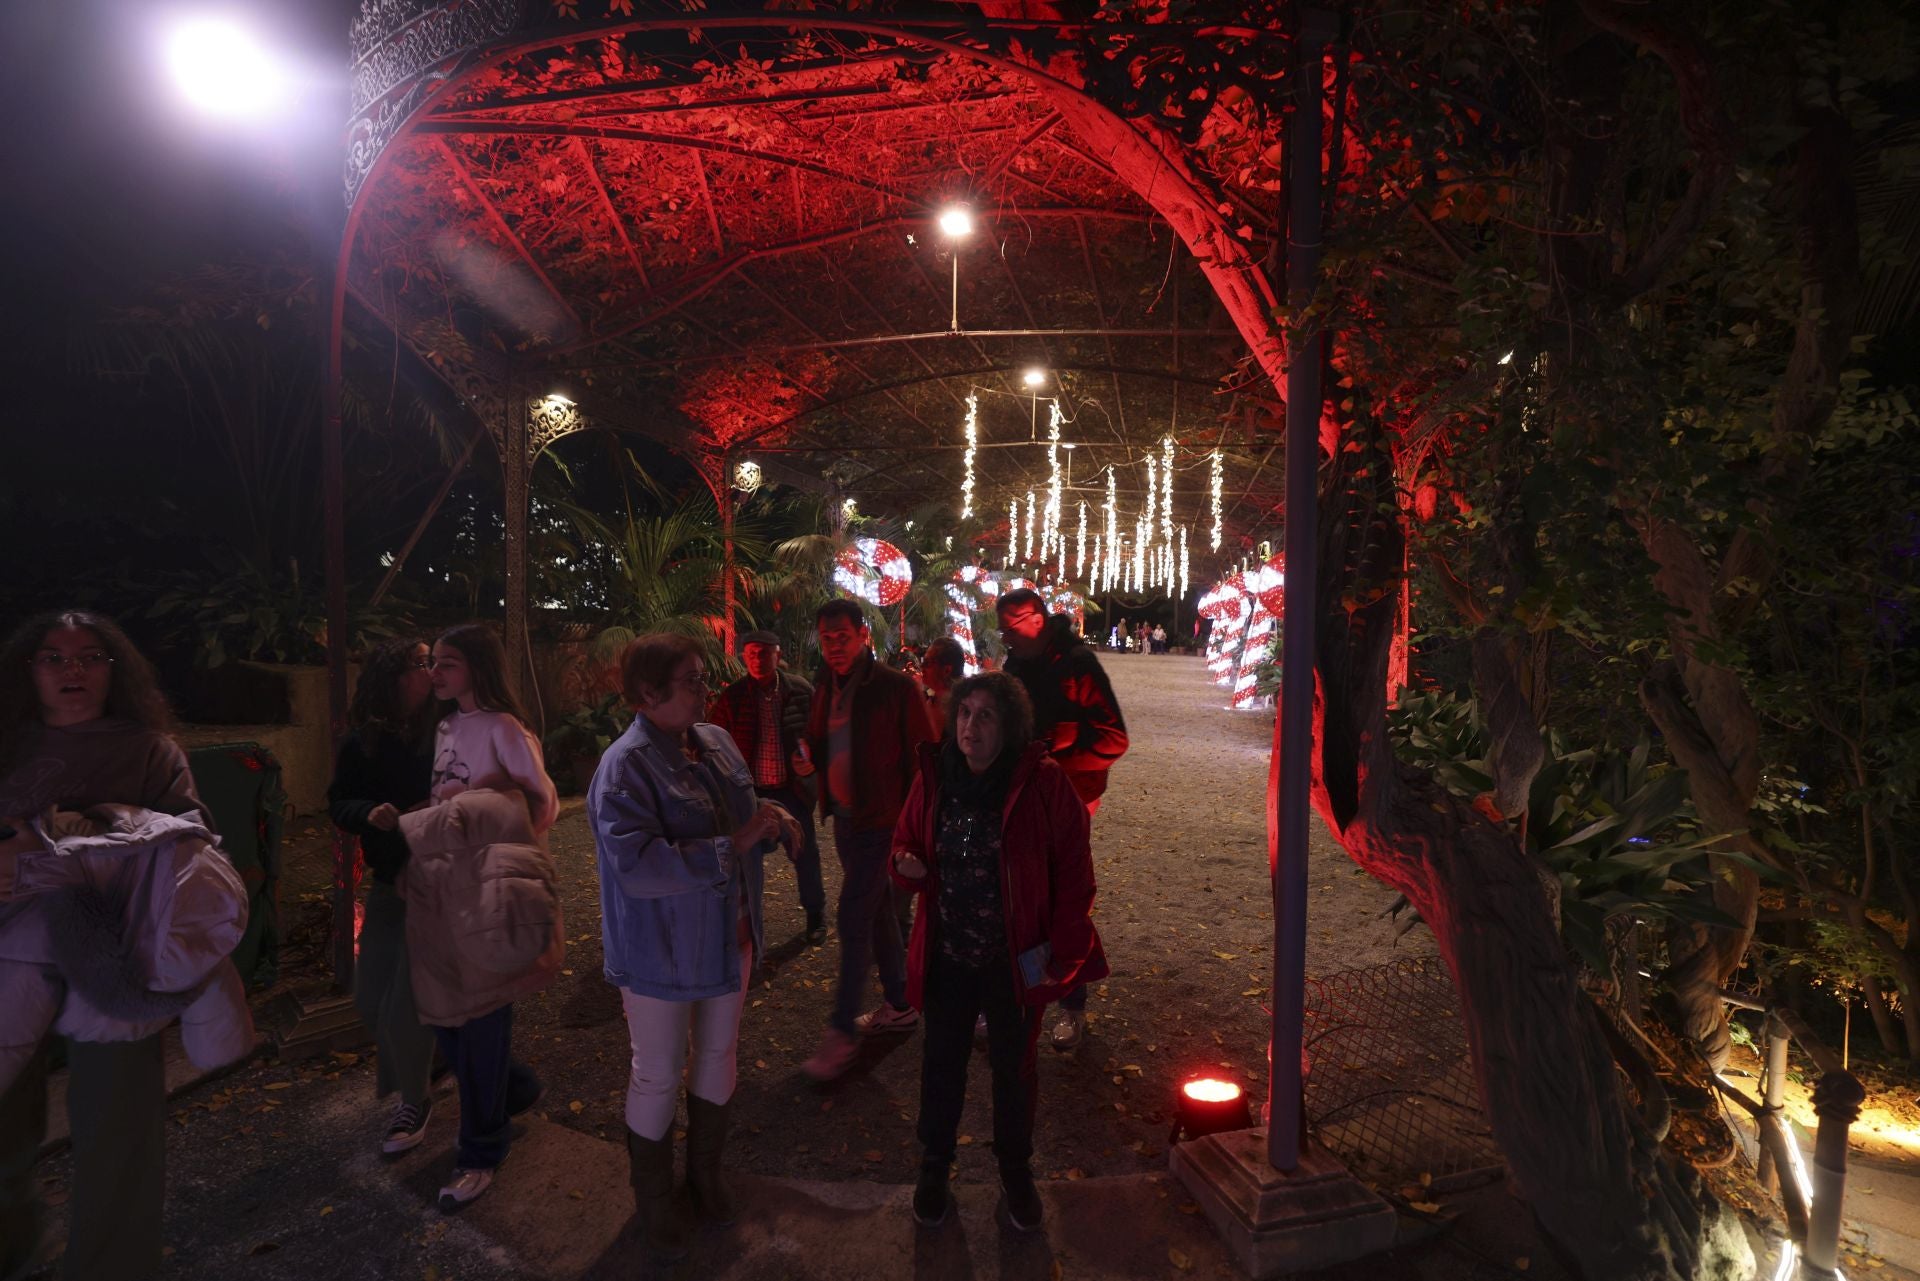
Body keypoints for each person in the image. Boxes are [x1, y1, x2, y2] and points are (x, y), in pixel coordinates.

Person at [0, 610, 234, 1281]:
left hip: (114, 952)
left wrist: (97, 841)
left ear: (114, 668)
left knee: (118, 1135)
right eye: (53, 656)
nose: (73, 669)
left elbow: (195, 842)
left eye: (90, 655)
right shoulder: (7, 744)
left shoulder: (149, 750)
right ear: (29, 669)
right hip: (9, 955)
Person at [592, 635, 798, 1259]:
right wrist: (735, 843)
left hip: (727, 938)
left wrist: (771, 817)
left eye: (703, 677)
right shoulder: (624, 767)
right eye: (691, 680)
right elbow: (636, 863)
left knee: (718, 1052)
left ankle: (705, 1175)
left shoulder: (714, 741)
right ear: (649, 694)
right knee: (656, 1072)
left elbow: (738, 812)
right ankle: (653, 1201)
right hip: (660, 952)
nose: (705, 689)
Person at [890, 672, 1106, 1231]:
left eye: (985, 715)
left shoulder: (1042, 783)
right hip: (950, 952)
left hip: (1014, 956)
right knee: (942, 1062)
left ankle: (1016, 1169)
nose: (970, 726)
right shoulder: (936, 775)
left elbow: (1074, 874)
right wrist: (907, 863)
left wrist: (1060, 949)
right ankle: (935, 1165)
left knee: (1014, 1067)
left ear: (1008, 726)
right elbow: (906, 839)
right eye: (964, 713)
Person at [420, 623, 558, 1212]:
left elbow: (545, 804)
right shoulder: (447, 726)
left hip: (495, 889)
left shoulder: (505, 728)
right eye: (433, 663)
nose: (435, 673)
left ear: (477, 666)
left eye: (447, 663)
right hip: (450, 885)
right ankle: (516, 1089)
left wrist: (476, 803)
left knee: (480, 1020)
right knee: (447, 1016)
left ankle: (481, 1148)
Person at [800, 600, 937, 1082]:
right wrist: (807, 755)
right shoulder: (825, 686)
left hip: (884, 822)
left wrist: (915, 828)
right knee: (877, 912)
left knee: (853, 918)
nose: (833, 645)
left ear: (862, 635)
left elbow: (927, 759)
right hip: (845, 819)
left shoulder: (896, 688)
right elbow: (820, 738)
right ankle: (900, 1003)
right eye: (826, 637)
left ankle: (840, 1033)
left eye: (842, 635)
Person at [994, 590, 1128, 1051]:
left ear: (1037, 619)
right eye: (1004, 631)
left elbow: (1114, 739)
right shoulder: (1014, 665)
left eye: (1013, 628)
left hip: (1070, 797)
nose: (1008, 638)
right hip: (1022, 795)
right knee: (1019, 896)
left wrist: (1061, 753)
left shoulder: (1076, 664)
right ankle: (1021, 995)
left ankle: (1072, 1004)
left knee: (1062, 899)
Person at [328, 637, 441, 1156]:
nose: (431, 670)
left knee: (405, 1006)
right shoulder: (362, 742)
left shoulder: (446, 729)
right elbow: (340, 802)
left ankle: (414, 1101)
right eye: (422, 663)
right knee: (371, 998)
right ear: (394, 676)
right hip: (387, 880)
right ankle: (437, 1062)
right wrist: (367, 813)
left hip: (434, 881)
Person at [707, 630, 824, 944]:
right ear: (745, 657)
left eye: (764, 652)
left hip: (792, 788)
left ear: (777, 654)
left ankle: (816, 917)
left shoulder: (799, 690)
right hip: (751, 793)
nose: (758, 659)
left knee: (806, 852)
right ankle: (746, 924)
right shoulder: (733, 697)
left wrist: (812, 760)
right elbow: (713, 739)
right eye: (752, 653)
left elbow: (817, 732)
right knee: (747, 856)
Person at [919, 637, 966, 735]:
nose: (921, 667)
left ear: (947, 670)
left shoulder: (960, 710)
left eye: (927, 663)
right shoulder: (931, 694)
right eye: (923, 661)